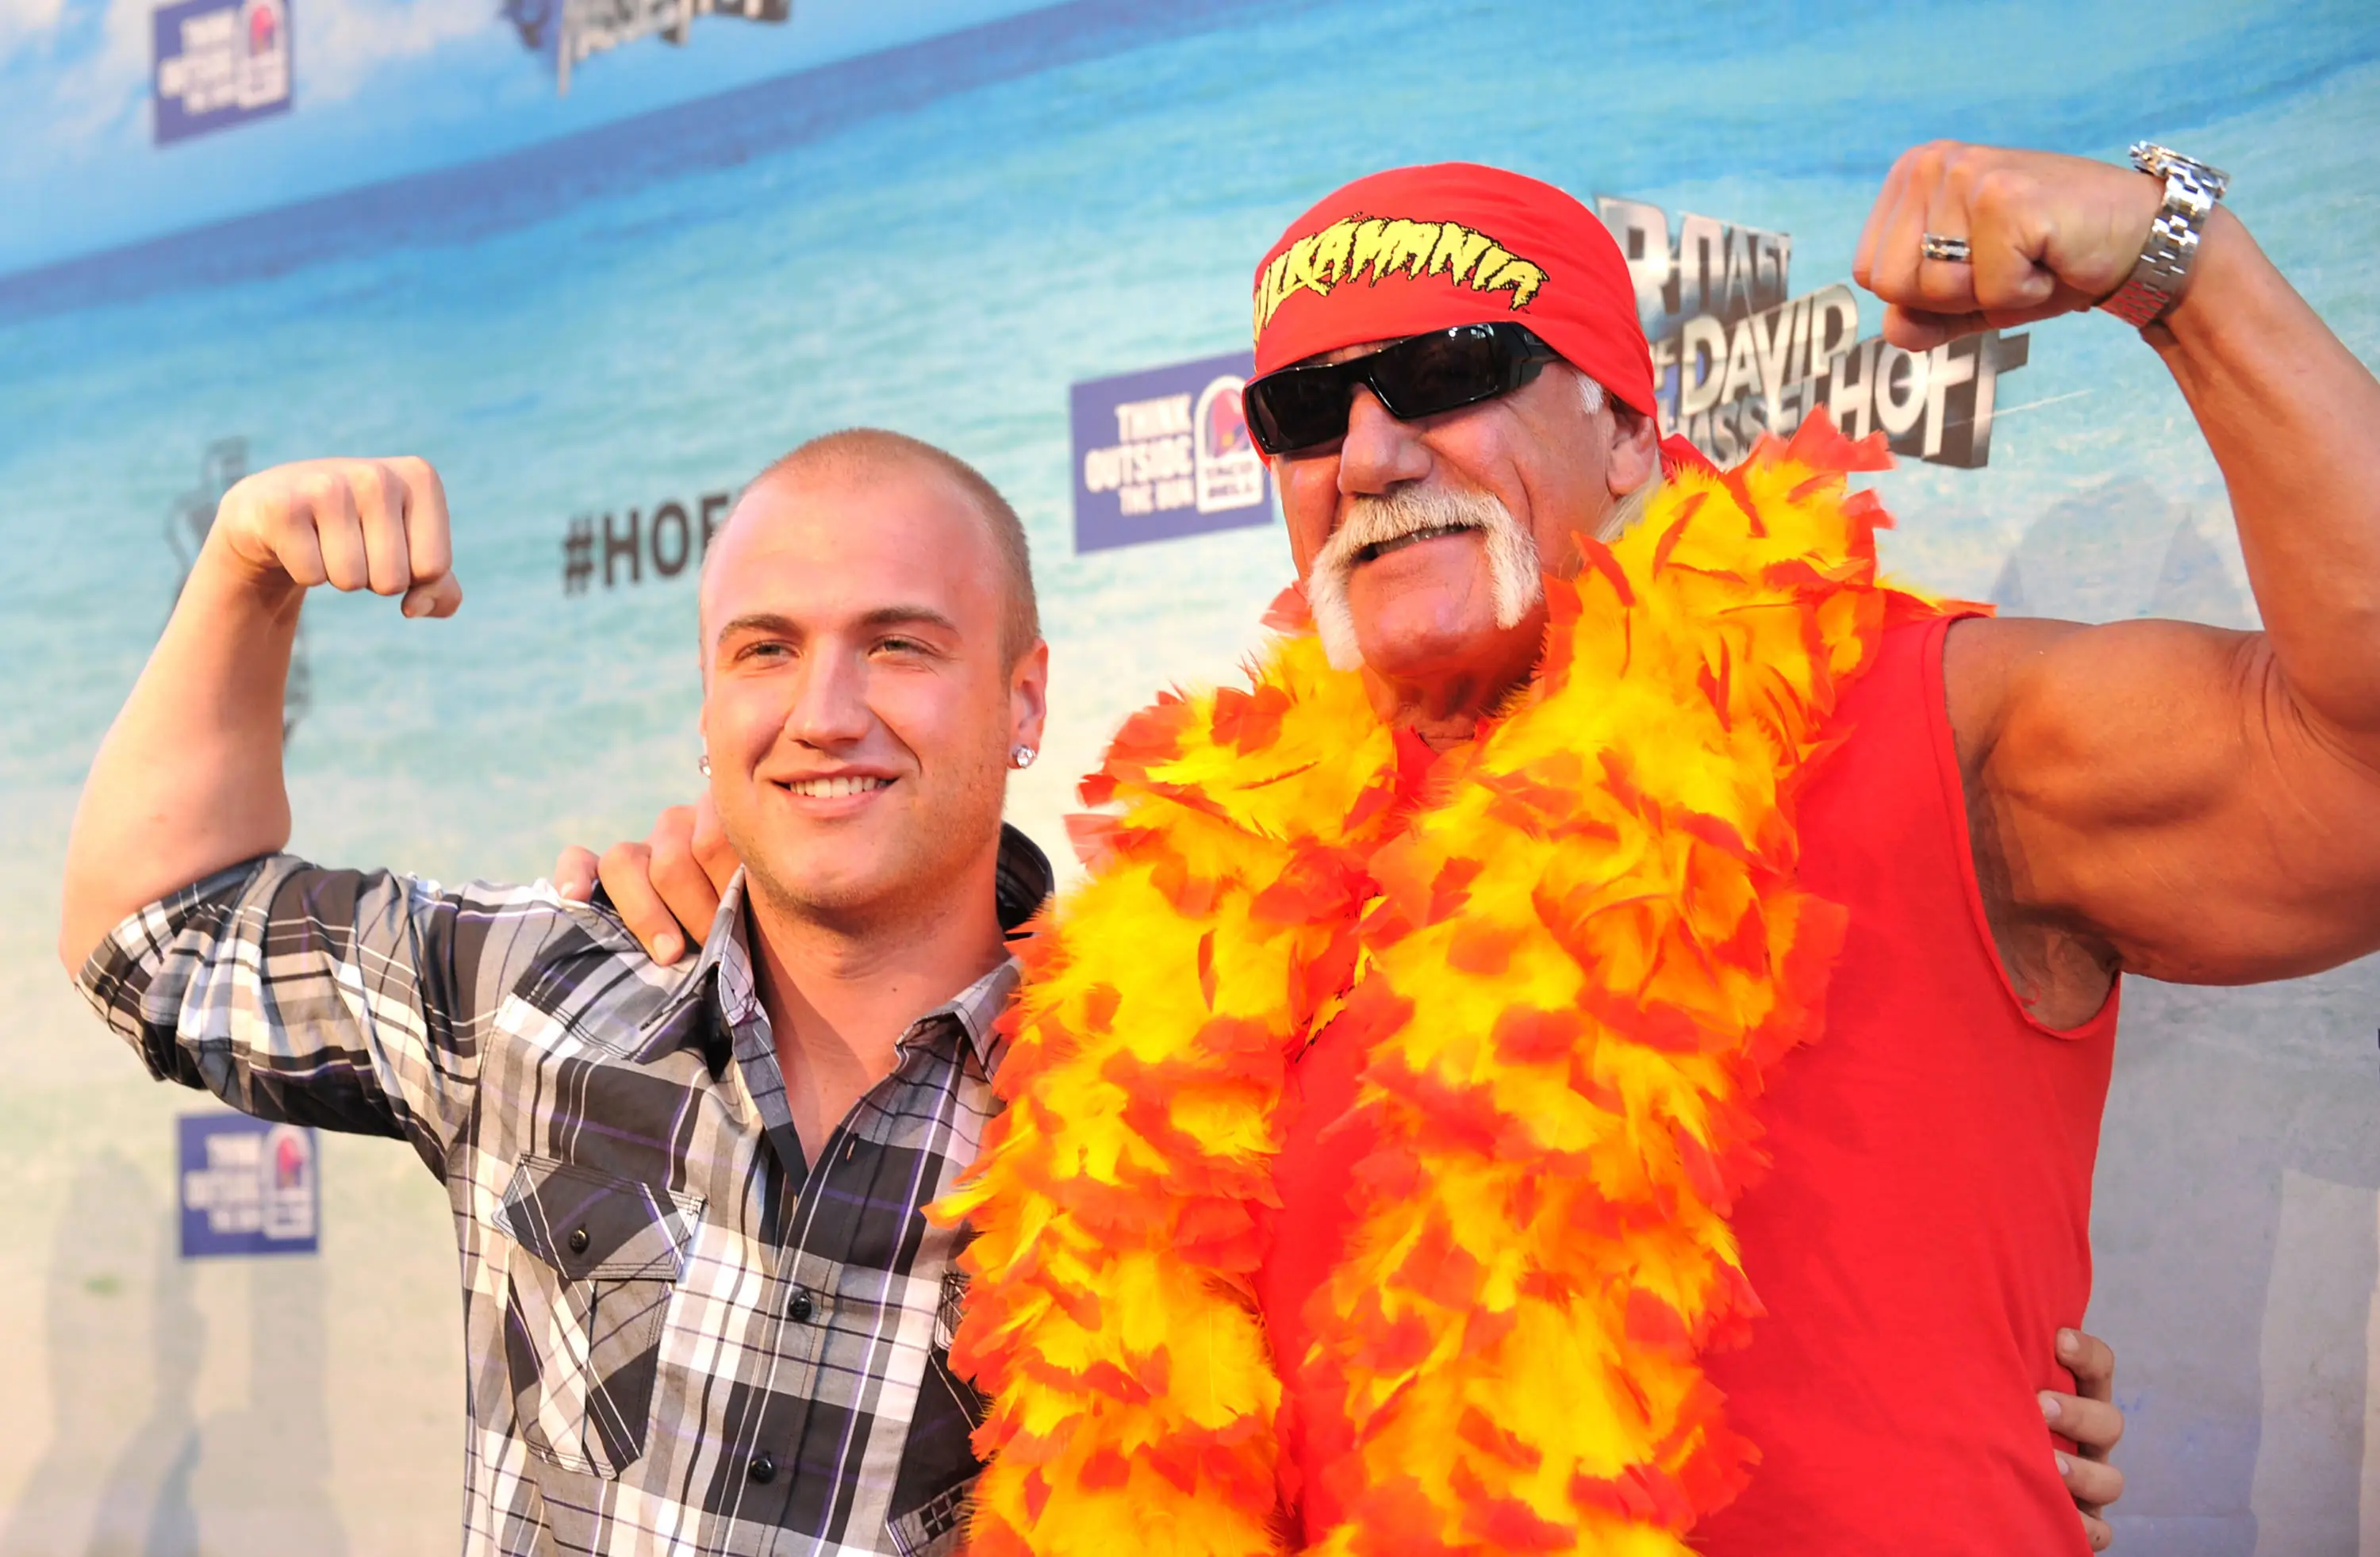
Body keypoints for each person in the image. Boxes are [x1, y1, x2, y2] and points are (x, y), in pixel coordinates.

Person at [561, 136, 2378, 1555]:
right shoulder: (1182, 930)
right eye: (1300, 408)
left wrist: (2179, 264)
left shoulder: (1920, 717)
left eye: (1448, 366)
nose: (1364, 444)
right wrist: (737, 899)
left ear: (1627, 429)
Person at [58, 430, 1058, 1556]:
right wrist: (244, 572)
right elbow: (150, 935)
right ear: (706, 706)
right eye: (766, 650)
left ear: (1024, 701)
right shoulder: (539, 988)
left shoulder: (1129, 1121)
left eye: (898, 646)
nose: (824, 711)